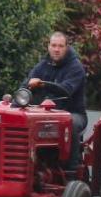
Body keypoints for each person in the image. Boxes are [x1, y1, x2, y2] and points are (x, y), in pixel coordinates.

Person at [24, 32, 87, 171]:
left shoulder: (75, 67)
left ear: (66, 47)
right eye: (53, 45)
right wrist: (29, 85)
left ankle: (71, 170)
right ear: (48, 46)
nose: (56, 49)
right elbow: (26, 83)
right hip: (44, 113)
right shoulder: (42, 65)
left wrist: (42, 84)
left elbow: (67, 89)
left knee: (70, 123)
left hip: (72, 112)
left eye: (60, 46)